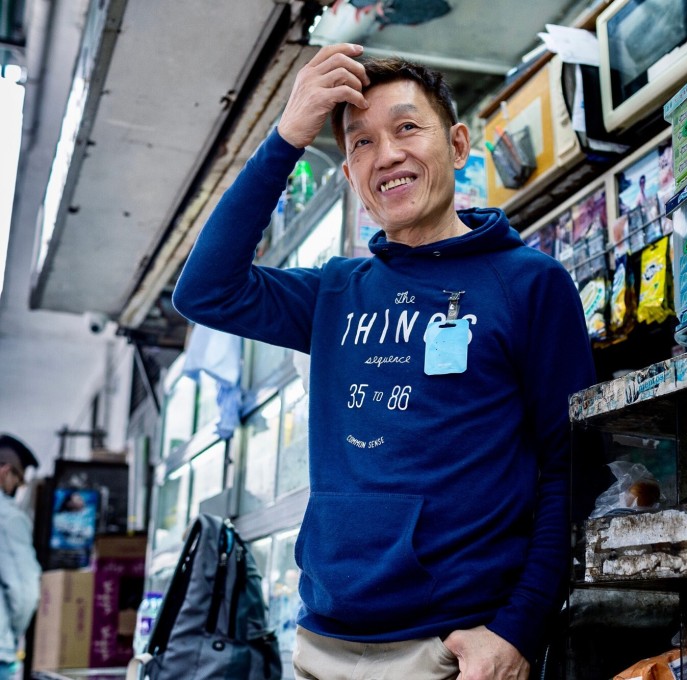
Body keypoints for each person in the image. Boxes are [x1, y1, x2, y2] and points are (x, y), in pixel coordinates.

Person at [172, 44, 596, 680]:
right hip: (322, 642)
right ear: (351, 176)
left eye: (407, 127)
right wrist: (287, 138)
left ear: (457, 144)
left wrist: (516, 631)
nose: (388, 155)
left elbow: (570, 466)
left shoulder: (529, 284)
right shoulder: (335, 292)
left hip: (455, 649)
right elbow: (205, 290)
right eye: (362, 142)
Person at [0, 434, 42, 680]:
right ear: (5, 471)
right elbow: (25, 592)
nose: (15, 489)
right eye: (17, 481)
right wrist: (10, 633)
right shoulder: (8, 518)